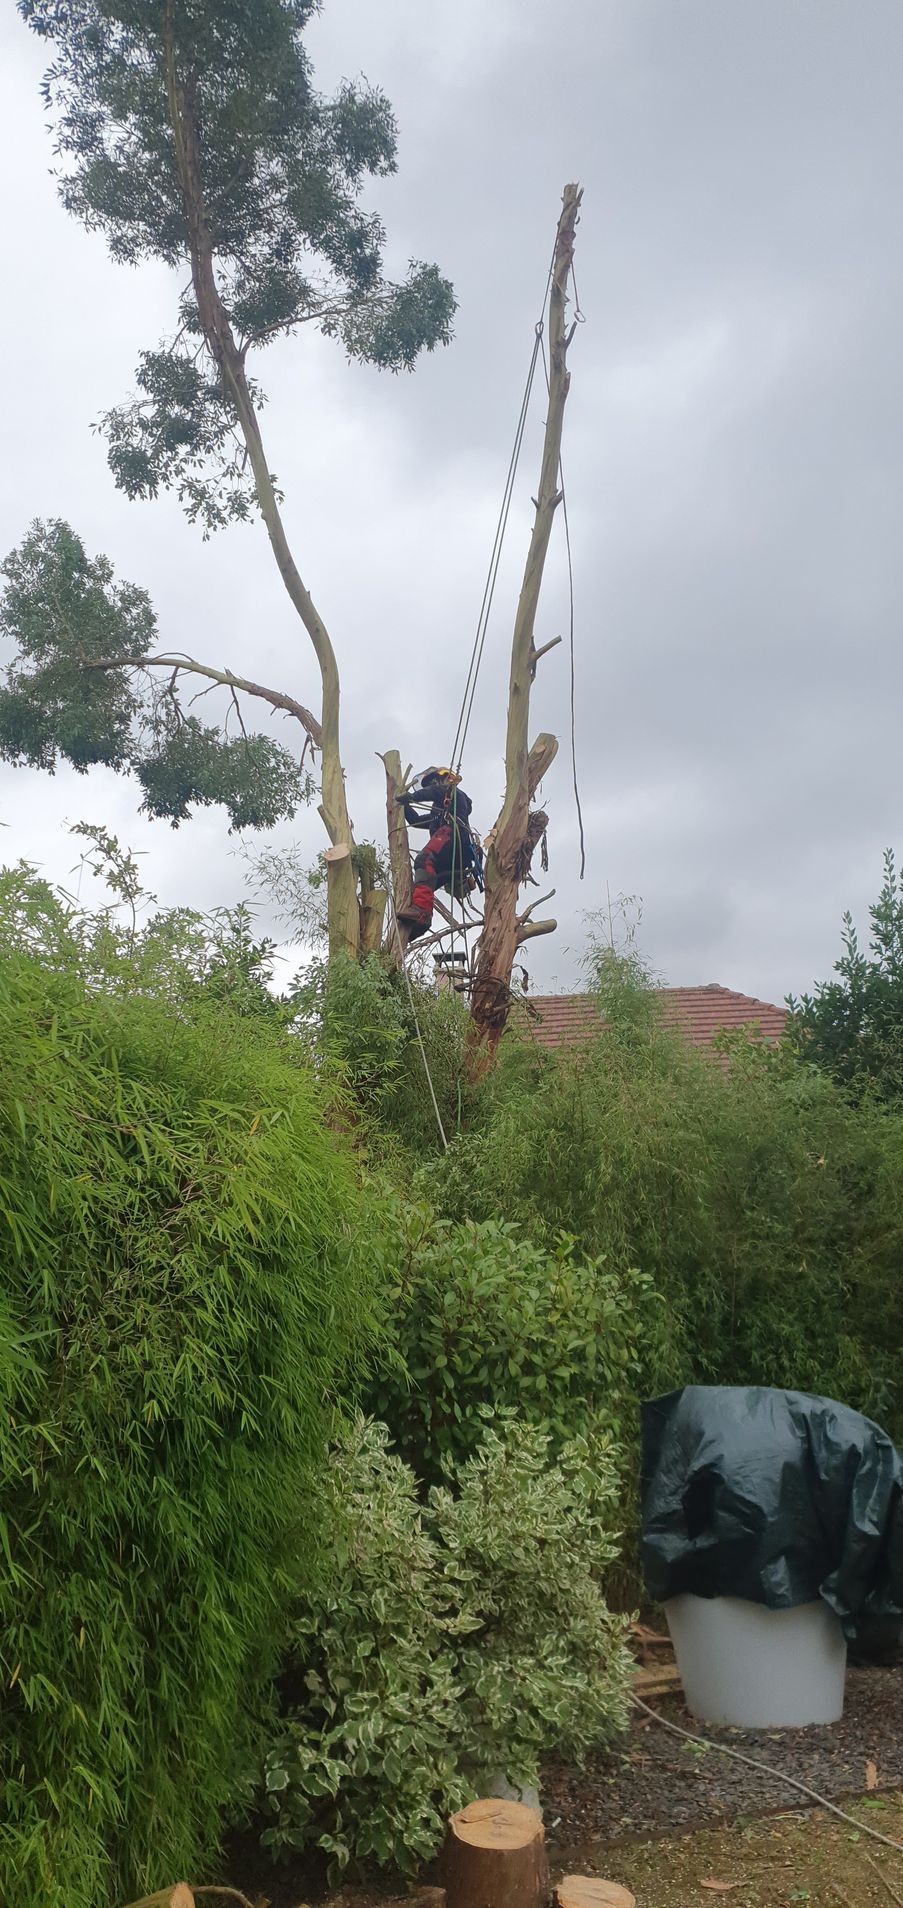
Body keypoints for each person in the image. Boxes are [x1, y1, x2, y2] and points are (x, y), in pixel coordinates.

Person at [395, 767, 483, 942]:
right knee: (425, 882)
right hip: (451, 856)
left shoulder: (453, 794)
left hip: (455, 836)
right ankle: (419, 924)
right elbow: (415, 821)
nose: (432, 786)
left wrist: (411, 797)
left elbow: (436, 791)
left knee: (424, 860)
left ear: (444, 780)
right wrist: (405, 805)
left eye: (433, 782)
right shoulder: (438, 811)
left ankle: (422, 913)